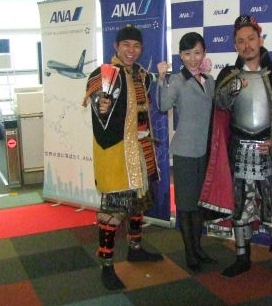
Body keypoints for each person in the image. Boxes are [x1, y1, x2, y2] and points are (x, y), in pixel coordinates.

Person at [199, 14, 272, 283]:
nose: (247, 45)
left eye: (251, 39)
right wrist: (233, 88)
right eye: (241, 41)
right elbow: (220, 106)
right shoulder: (229, 75)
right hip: (238, 149)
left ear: (260, 40)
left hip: (270, 150)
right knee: (240, 205)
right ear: (235, 45)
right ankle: (241, 257)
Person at [83, 25, 163, 291]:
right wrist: (101, 105)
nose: (131, 50)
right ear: (116, 47)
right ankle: (106, 265)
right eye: (126, 45)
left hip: (141, 149)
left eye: (136, 46)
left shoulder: (142, 75)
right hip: (116, 152)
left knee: (138, 203)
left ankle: (135, 248)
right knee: (113, 210)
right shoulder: (104, 73)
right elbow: (99, 105)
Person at [156, 32, 216, 272]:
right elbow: (163, 105)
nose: (193, 58)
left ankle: (198, 248)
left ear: (204, 53)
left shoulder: (209, 80)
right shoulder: (177, 80)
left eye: (197, 52)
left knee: (199, 204)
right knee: (185, 204)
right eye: (187, 53)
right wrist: (161, 79)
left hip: (205, 151)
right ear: (181, 55)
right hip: (185, 151)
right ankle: (190, 252)